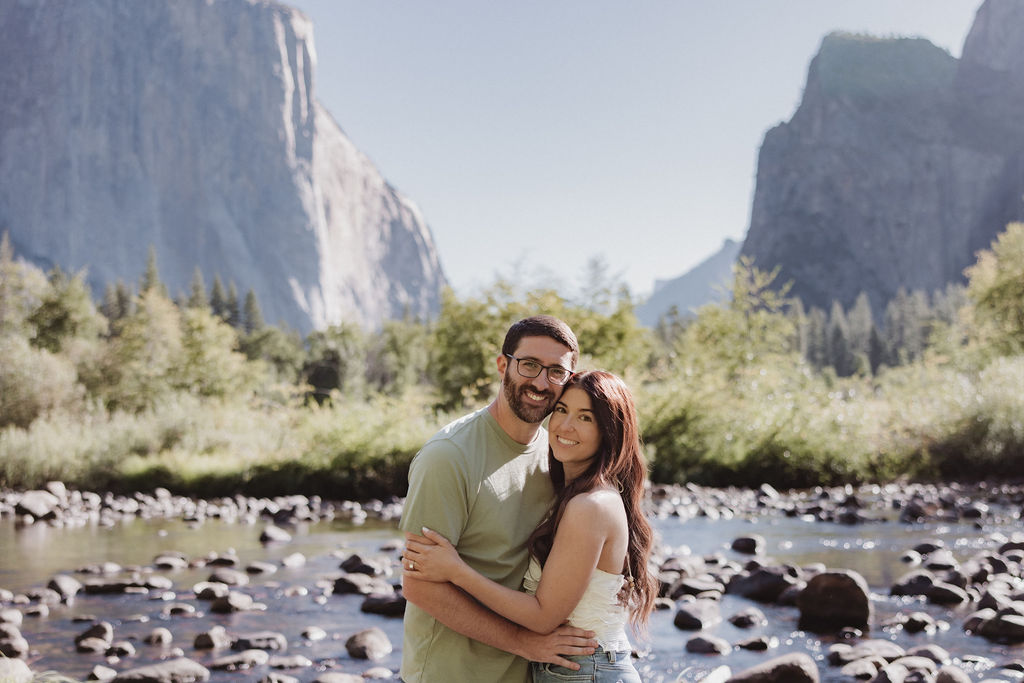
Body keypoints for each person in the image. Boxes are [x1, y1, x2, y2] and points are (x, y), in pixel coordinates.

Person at [404, 370, 657, 683]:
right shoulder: (573, 493)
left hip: (585, 671)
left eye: (585, 418)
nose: (565, 426)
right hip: (575, 669)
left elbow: (543, 616)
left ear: (609, 431)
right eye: (562, 410)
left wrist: (456, 570)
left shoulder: (589, 506)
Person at [399, 316, 599, 683]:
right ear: (503, 365)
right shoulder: (448, 456)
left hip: (527, 672)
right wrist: (523, 643)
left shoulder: (559, 449)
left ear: (570, 379)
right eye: (530, 365)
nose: (540, 382)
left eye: (556, 371)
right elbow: (418, 585)